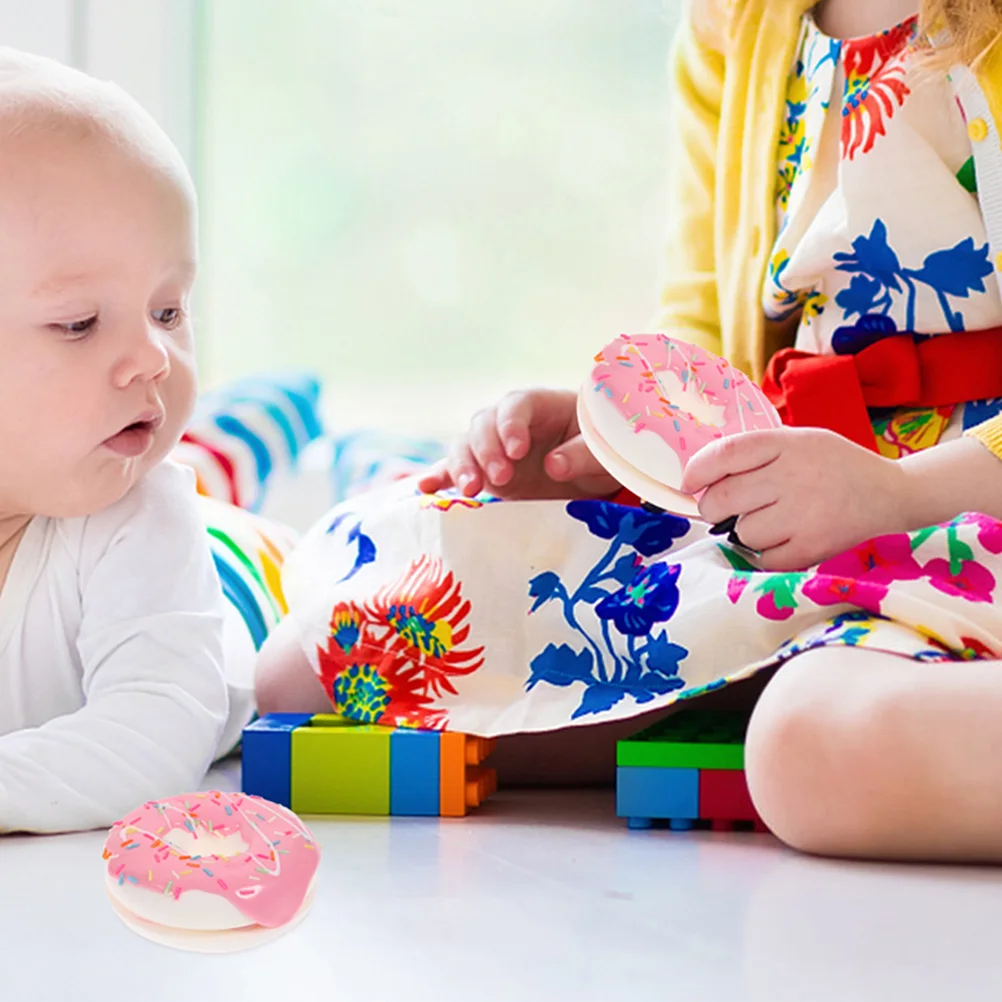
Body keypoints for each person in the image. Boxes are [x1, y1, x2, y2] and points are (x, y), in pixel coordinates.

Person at [259, 0, 1002, 862]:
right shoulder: (741, 22)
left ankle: (806, 689)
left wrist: (895, 494)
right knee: (325, 654)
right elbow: (709, 338)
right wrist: (620, 443)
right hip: (782, 499)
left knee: (809, 746)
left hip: (964, 504)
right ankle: (774, 676)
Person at [0, 49, 287, 834]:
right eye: (79, 324)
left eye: (168, 310)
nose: (155, 357)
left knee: (359, 594)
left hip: (259, 584)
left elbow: (152, 738)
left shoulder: (136, 511)